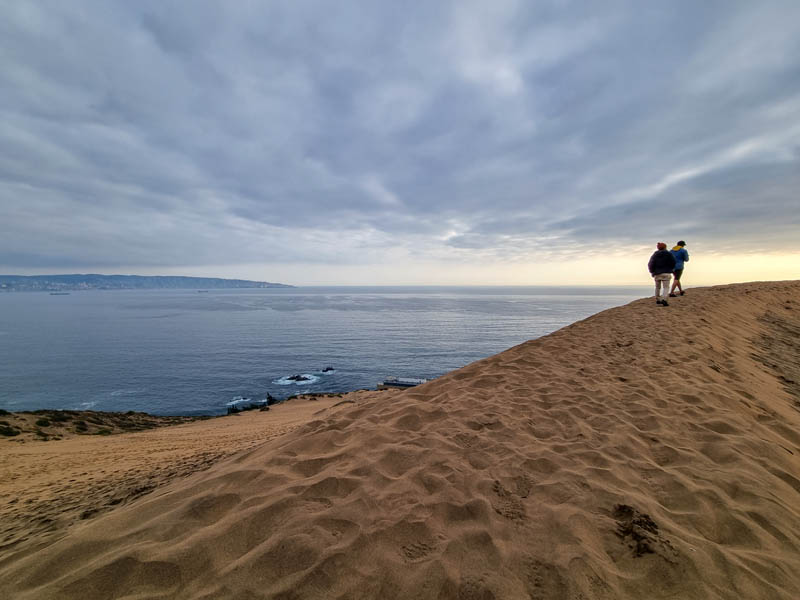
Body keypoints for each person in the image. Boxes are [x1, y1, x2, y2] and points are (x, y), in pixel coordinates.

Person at [648, 242, 676, 306]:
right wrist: (671, 269)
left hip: (657, 273)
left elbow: (650, 264)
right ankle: (664, 299)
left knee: (657, 287)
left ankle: (658, 299)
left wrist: (652, 272)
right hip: (666, 272)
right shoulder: (669, 254)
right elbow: (673, 262)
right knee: (666, 287)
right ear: (665, 247)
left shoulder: (655, 254)